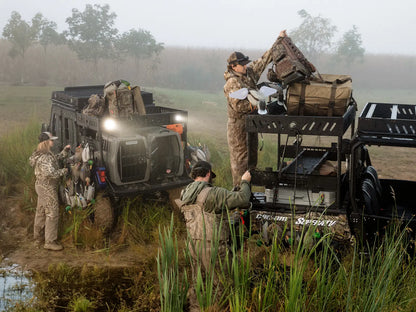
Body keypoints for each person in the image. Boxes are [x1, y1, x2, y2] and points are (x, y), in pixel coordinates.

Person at [223, 30, 287, 186]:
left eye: (245, 63)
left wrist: (279, 40)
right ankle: (239, 196)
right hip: (238, 126)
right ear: (233, 66)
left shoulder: (249, 74)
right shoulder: (232, 82)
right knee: (240, 161)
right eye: (242, 64)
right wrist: (258, 103)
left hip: (252, 122)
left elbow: (264, 60)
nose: (245, 66)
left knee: (252, 160)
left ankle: (248, 193)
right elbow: (239, 106)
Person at [178, 160, 251, 270]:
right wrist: (245, 181)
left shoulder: (185, 193)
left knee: (200, 283)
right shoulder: (214, 193)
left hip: (193, 247)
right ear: (208, 173)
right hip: (213, 249)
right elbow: (243, 199)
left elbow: (203, 215)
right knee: (222, 284)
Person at [29, 132, 70, 251]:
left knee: (41, 211)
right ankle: (50, 242)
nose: (53, 142)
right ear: (46, 142)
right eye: (51, 140)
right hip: (47, 187)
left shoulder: (41, 154)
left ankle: (38, 238)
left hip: (41, 186)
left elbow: (53, 160)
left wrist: (64, 152)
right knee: (52, 213)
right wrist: (65, 171)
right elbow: (50, 173)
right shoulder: (45, 156)